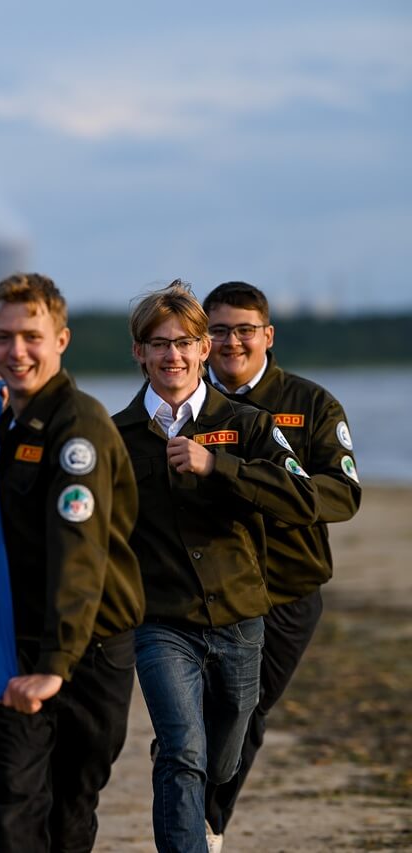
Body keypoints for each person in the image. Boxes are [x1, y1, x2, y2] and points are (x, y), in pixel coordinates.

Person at [111, 281, 318, 853]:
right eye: (159, 344)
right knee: (183, 751)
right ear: (139, 352)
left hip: (241, 621)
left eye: (184, 343)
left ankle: (189, 760)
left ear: (204, 349)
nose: (172, 355)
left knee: (221, 759)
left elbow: (303, 500)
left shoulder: (250, 425)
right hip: (160, 623)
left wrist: (218, 466)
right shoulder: (115, 436)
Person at [0, 273, 143, 853]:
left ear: (61, 340)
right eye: (2, 337)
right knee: (16, 798)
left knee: (71, 806)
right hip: (15, 643)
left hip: (89, 649)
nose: (16, 351)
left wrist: (56, 665)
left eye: (31, 337)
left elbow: (80, 552)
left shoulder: (79, 426)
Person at [200, 281, 361, 849]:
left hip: (287, 591)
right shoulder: (183, 400)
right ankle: (194, 822)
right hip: (207, 589)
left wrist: (257, 485)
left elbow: (343, 494)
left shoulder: (311, 404)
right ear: (203, 338)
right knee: (191, 718)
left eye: (245, 330)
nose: (232, 342)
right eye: (219, 330)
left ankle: (208, 822)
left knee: (244, 713)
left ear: (268, 335)